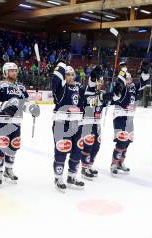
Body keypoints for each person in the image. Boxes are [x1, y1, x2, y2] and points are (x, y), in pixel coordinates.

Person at [0, 62, 40, 185]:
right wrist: (3, 106)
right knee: (0, 147)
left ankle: (8, 170)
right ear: (5, 72)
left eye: (16, 70)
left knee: (13, 147)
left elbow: (25, 104)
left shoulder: (21, 87)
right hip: (2, 122)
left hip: (16, 122)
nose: (14, 73)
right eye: (11, 70)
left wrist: (32, 109)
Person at [110, 61, 150, 176]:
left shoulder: (133, 88)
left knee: (127, 142)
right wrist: (118, 84)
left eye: (130, 79)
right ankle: (114, 163)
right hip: (119, 118)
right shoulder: (120, 87)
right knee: (121, 141)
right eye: (126, 79)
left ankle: (120, 163)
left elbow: (142, 83)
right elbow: (114, 97)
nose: (129, 80)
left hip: (129, 119)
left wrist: (145, 72)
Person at [51, 61, 85, 192]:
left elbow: (90, 95)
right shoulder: (60, 88)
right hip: (61, 125)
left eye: (72, 74)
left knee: (77, 151)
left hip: (77, 125)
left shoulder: (79, 88)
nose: (70, 77)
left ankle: (72, 176)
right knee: (61, 151)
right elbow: (55, 80)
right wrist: (61, 66)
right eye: (67, 74)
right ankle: (58, 177)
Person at [79, 65, 111, 180]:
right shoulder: (87, 90)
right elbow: (89, 102)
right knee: (88, 145)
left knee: (97, 146)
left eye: (101, 81)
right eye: (98, 80)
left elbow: (102, 103)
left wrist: (108, 99)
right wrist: (93, 77)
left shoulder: (101, 92)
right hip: (87, 123)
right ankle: (84, 168)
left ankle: (90, 165)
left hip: (96, 123)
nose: (100, 82)